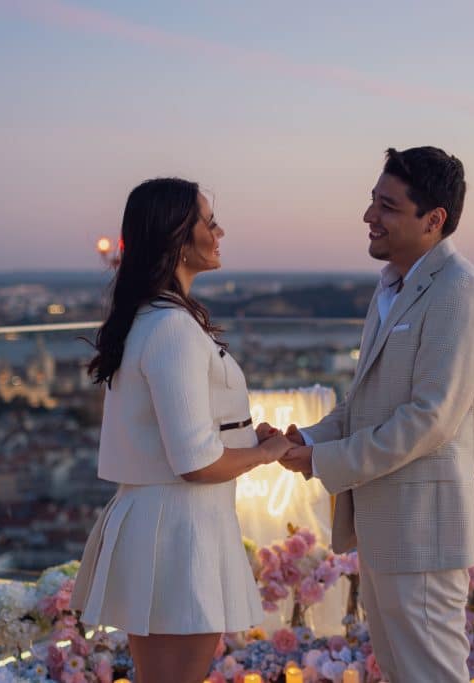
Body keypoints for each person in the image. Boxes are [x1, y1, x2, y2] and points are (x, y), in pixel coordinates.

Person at [277, 147, 474, 682]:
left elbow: (430, 419)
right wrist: (297, 438)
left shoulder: (460, 292)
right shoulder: (392, 288)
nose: (369, 216)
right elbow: (364, 405)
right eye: (372, 201)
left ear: (433, 220)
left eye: (387, 205)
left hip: (423, 530)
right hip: (387, 528)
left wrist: (320, 459)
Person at [69, 178, 292, 683]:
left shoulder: (158, 319)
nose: (220, 231)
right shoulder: (172, 328)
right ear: (177, 237)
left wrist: (246, 441)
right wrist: (267, 452)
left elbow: (186, 438)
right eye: (209, 222)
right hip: (179, 529)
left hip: (167, 523)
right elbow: (196, 463)